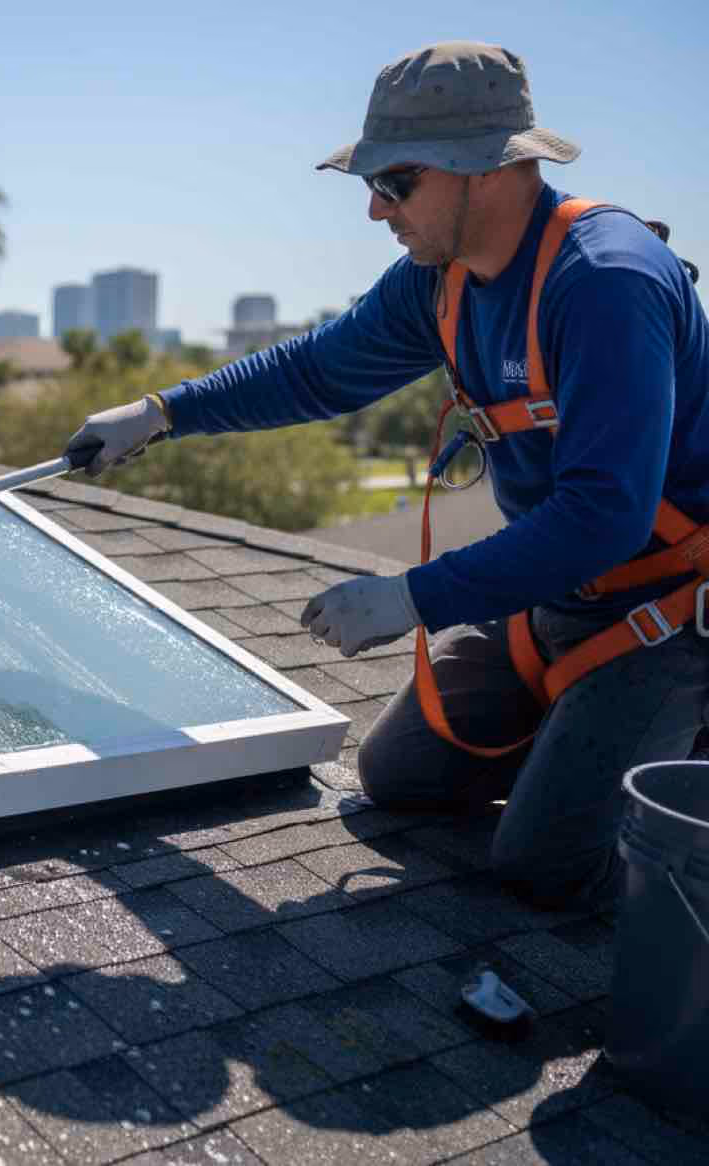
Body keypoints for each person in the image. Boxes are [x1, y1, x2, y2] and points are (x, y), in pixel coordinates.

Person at [68, 41, 709, 910]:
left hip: (672, 618)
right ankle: (589, 747)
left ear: (485, 169)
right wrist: (162, 413)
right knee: (398, 772)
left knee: (545, 867)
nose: (375, 209)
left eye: (395, 183)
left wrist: (413, 599)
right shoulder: (436, 281)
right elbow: (316, 371)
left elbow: (606, 516)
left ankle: (669, 755)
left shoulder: (606, 283)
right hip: (558, 600)